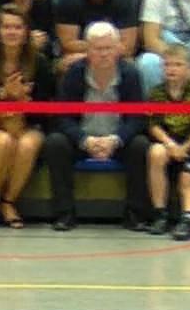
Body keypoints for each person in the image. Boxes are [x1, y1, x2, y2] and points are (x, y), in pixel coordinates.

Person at [41, 21, 146, 232]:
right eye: (98, 49)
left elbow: (137, 118)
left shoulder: (130, 74)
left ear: (117, 49)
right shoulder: (75, 73)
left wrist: (115, 140)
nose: (104, 54)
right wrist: (84, 140)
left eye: (108, 48)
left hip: (116, 140)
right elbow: (63, 117)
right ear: (88, 50)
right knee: (55, 142)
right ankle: (64, 213)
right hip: (83, 139)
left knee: (141, 145)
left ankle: (135, 214)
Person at [138, 43, 190, 239]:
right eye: (167, 64)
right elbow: (153, 125)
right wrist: (170, 144)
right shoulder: (157, 93)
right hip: (168, 141)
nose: (172, 69)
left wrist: (185, 147)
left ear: (189, 68)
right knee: (156, 152)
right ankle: (160, 214)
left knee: (187, 178)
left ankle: (189, 219)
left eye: (178, 65)